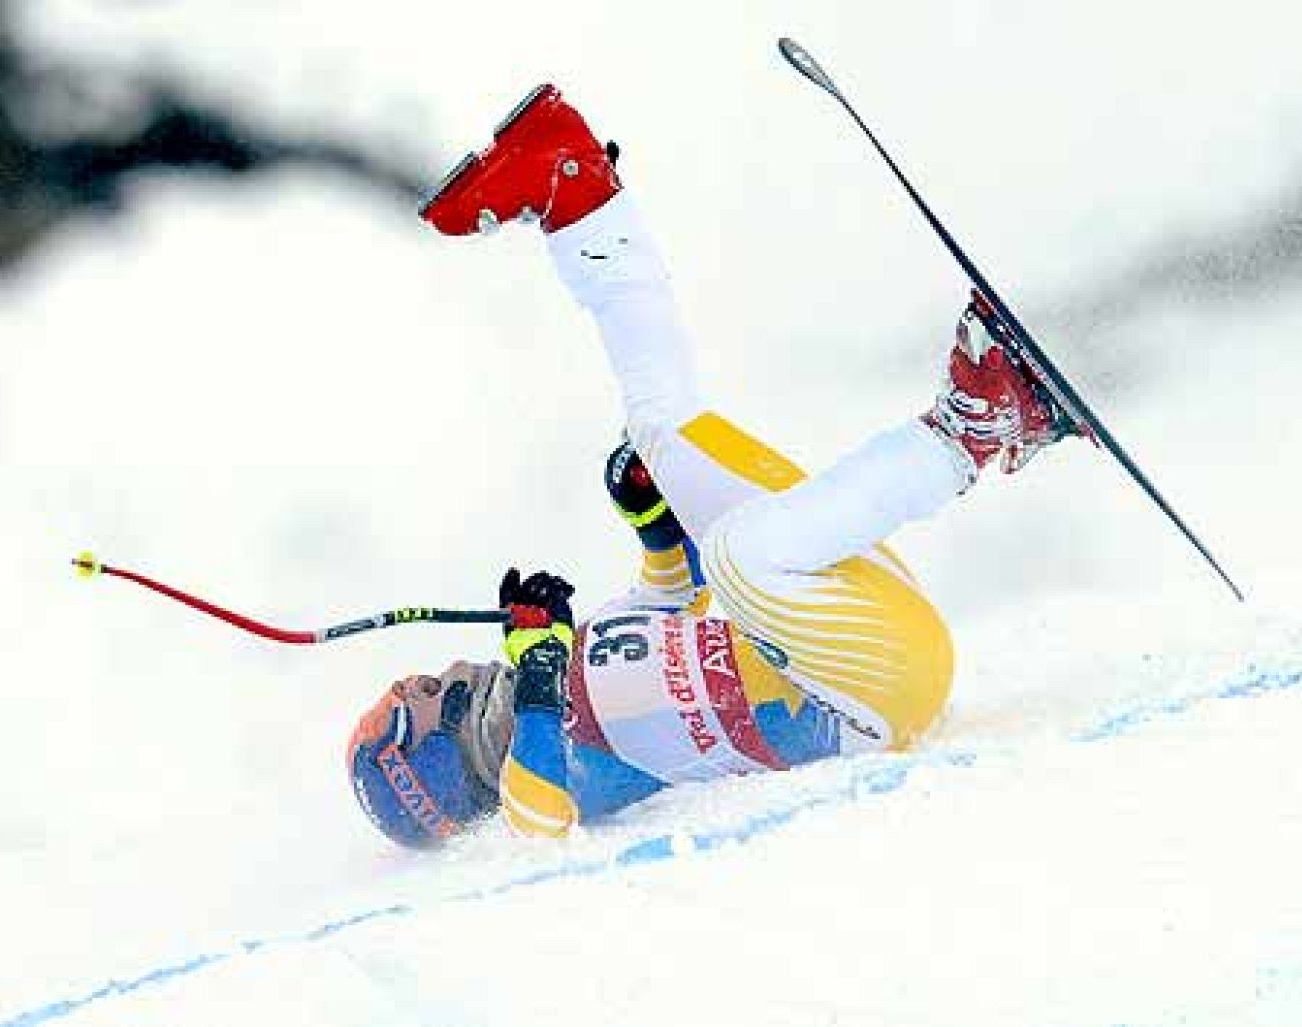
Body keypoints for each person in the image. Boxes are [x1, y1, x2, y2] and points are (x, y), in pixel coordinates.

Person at [346, 84, 1074, 848]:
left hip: (852, 634)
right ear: (428, 765)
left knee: (664, 431)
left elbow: (678, 590)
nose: (434, 675)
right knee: (738, 554)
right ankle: (973, 427)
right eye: (420, 699)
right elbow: (537, 824)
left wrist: (652, 519)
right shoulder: (554, 768)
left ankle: (574, 192)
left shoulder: (565, 670)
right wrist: (537, 673)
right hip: (865, 701)